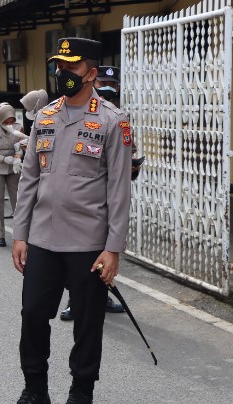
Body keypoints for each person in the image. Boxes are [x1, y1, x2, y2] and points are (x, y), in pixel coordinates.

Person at [7, 38, 133, 404]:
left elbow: (119, 190)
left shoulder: (113, 121)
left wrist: (113, 249)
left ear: (91, 73)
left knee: (87, 320)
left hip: (88, 243)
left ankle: (81, 393)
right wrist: (20, 233)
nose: (63, 75)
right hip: (43, 238)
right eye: (59, 67)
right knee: (32, 315)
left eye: (71, 68)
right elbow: (29, 178)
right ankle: (35, 391)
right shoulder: (43, 116)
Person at [60, 65, 143, 321]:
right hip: (79, 199)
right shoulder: (76, 111)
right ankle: (75, 299)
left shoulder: (117, 117)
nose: (107, 89)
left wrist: (132, 165)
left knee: (101, 256)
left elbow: (129, 155)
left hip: (106, 201)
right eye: (103, 84)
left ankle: (100, 296)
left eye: (111, 85)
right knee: (74, 255)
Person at [0, 103, 26, 247]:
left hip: (13, 165)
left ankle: (20, 233)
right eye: (6, 122)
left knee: (18, 200)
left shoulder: (18, 127)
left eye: (11, 121)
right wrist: (3, 159)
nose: (9, 124)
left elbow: (22, 144)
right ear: (0, 119)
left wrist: (18, 157)